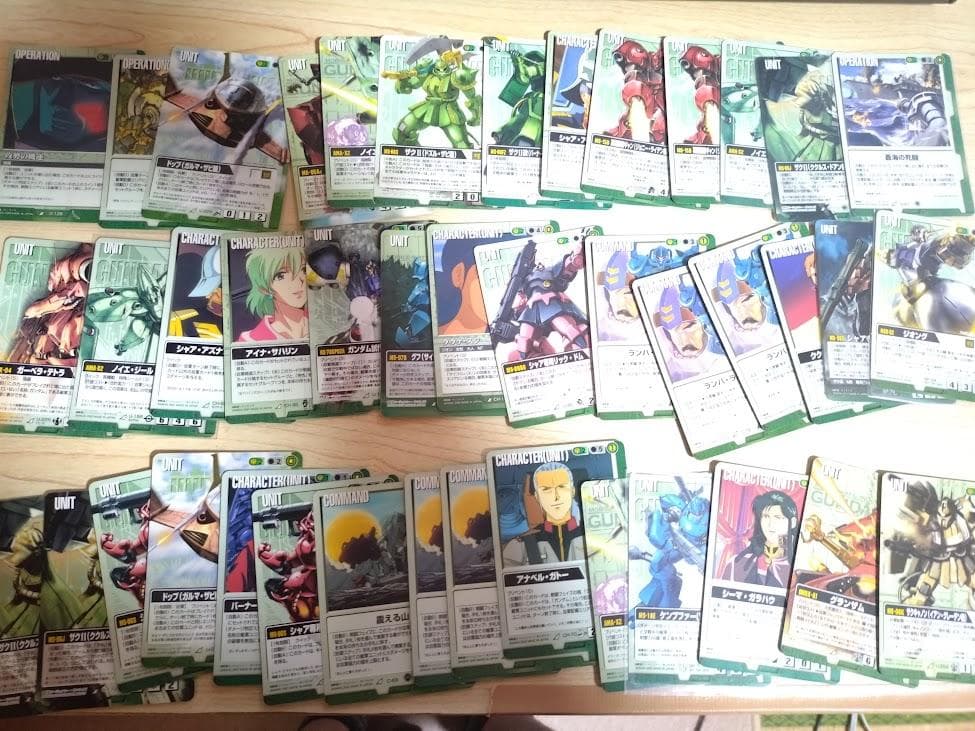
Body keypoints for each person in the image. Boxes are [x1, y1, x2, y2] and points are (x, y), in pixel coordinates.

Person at [503, 462, 584, 566]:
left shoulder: (591, 536)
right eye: (546, 489)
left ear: (572, 491)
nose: (556, 497)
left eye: (561, 487)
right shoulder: (520, 545)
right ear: (537, 496)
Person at [722, 490, 798, 588]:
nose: (770, 524)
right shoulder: (737, 564)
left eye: (778, 517)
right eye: (766, 516)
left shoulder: (797, 567)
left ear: (793, 522)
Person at [237, 248, 308, 342]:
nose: (298, 281)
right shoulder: (250, 340)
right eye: (281, 276)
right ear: (265, 289)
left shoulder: (321, 320)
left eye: (303, 270)